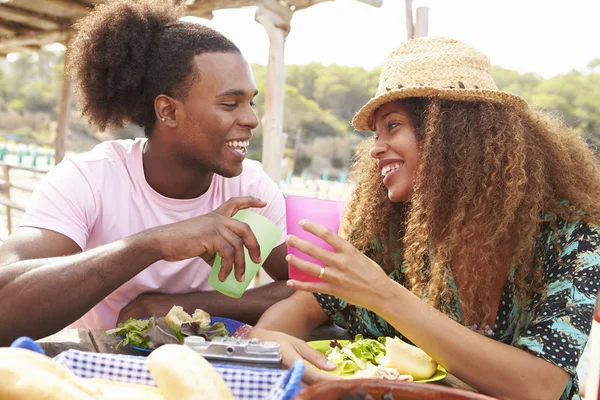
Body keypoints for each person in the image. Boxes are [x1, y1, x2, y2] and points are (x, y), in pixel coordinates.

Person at [249, 37, 600, 400]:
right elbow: (301, 308)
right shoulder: (386, 233)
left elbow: (541, 386)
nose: (375, 149)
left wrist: (385, 296)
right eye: (376, 133)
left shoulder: (570, 237)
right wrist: (268, 338)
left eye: (393, 126)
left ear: (453, 134)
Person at [0, 0, 293, 346]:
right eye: (230, 104)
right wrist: (154, 243)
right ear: (168, 111)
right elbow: (5, 302)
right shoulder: (88, 179)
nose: (251, 120)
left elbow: (318, 289)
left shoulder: (252, 188)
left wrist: (178, 305)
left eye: (251, 102)